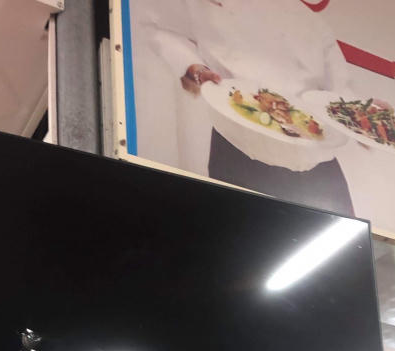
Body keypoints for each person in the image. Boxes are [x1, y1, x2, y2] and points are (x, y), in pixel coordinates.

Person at [137, 0, 355, 213]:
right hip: (243, 153)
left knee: (347, 235)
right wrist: (192, 66)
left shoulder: (301, 13)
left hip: (318, 162)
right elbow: (160, 27)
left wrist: (349, 111)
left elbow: (333, 64)